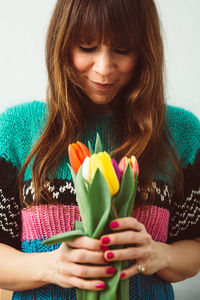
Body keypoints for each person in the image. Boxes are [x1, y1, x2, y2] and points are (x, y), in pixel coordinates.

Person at [0, 0, 199, 299]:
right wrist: (51, 266)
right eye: (87, 47)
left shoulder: (182, 133)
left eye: (123, 50)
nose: (104, 68)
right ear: (62, 44)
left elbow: (193, 248)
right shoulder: (16, 130)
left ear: (145, 50)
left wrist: (159, 255)